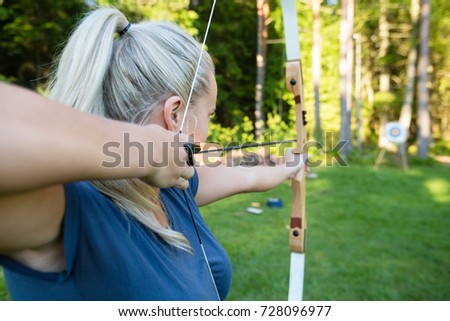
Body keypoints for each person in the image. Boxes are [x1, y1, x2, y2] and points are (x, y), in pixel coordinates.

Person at [0, 7, 306, 300]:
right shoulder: (65, 208)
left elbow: (247, 173)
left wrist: (289, 165)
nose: (209, 129)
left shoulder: (168, 190)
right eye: (210, 114)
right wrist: (148, 147)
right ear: (175, 115)